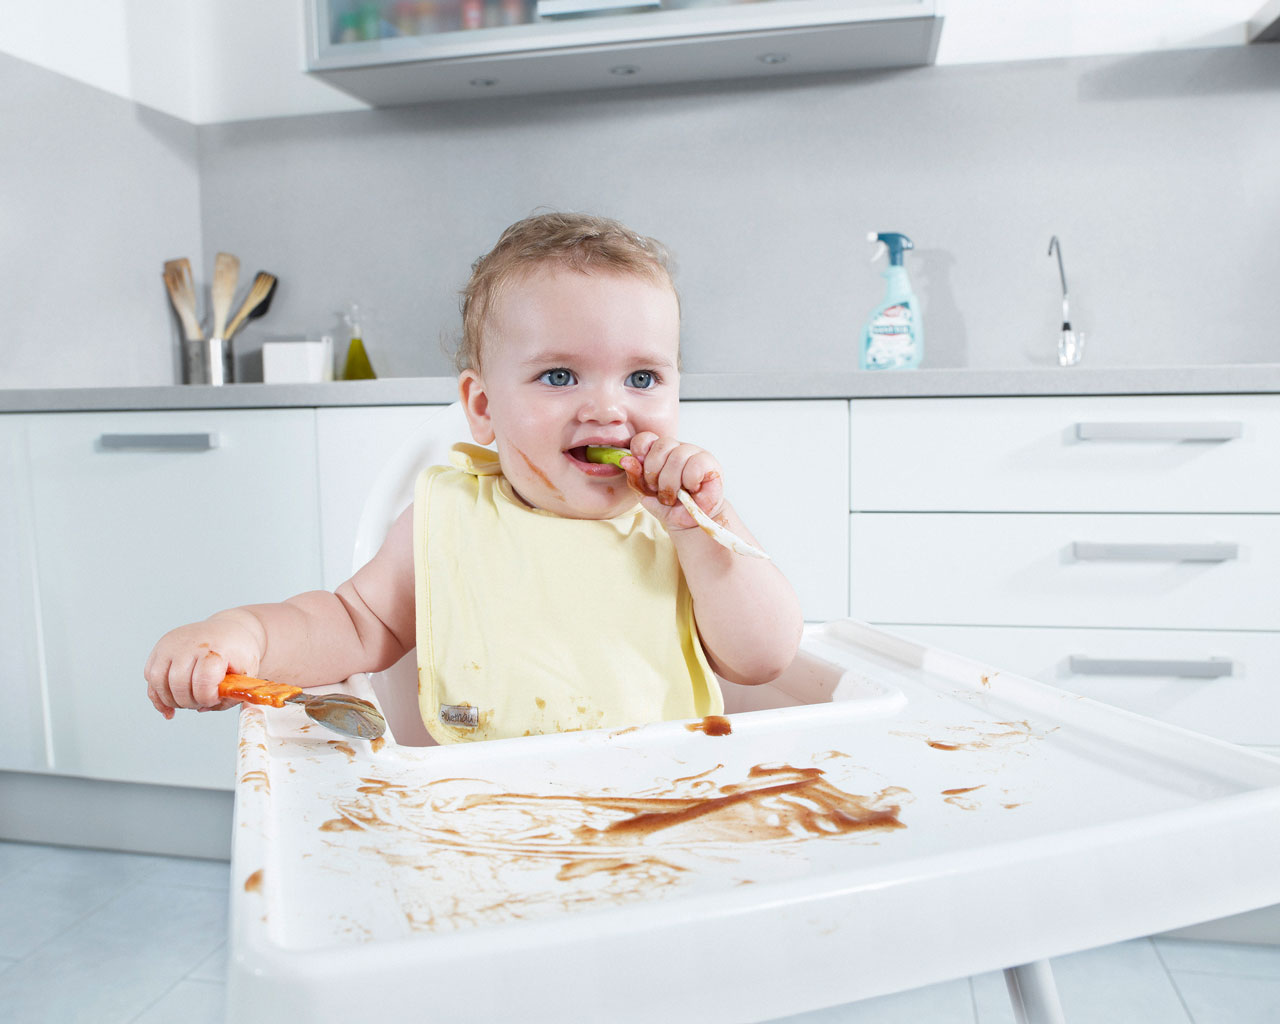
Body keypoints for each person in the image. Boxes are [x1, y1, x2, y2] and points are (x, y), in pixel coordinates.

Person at [144, 212, 803, 743]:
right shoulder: (448, 520)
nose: (608, 407)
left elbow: (764, 658)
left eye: (642, 378)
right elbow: (351, 622)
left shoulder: (681, 527)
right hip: (488, 821)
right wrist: (246, 634)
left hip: (662, 801)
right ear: (483, 407)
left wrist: (704, 532)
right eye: (559, 376)